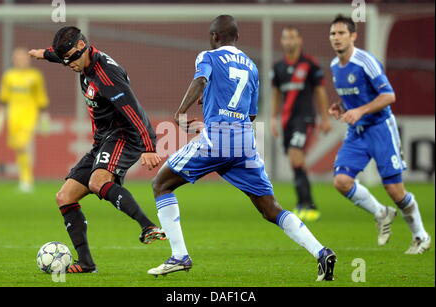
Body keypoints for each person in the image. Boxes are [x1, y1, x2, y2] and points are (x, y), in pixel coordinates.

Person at [147, 15, 336, 281]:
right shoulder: (251, 66)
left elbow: (200, 80)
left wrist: (180, 113)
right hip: (245, 142)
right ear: (237, 37)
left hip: (216, 139)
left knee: (161, 184)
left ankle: (179, 256)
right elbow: (250, 115)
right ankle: (321, 252)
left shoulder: (208, 57)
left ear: (214, 37)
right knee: (270, 207)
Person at [28, 26, 166, 273]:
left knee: (97, 181)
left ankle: (148, 227)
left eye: (70, 59)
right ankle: (87, 264)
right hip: (104, 138)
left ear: (82, 47)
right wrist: (42, 54)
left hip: (125, 135)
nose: (68, 64)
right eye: (64, 59)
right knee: (65, 197)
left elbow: (134, 111)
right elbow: (61, 54)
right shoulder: (78, 56)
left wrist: (149, 147)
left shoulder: (107, 75)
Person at [328, 15, 430, 254]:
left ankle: (421, 236)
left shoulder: (365, 61)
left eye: (342, 33)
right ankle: (381, 213)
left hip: (380, 129)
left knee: (394, 190)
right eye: (333, 34)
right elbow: (354, 97)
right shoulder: (335, 66)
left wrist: (360, 110)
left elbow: (388, 96)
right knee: (341, 182)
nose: (336, 38)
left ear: (353, 36)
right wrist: (342, 108)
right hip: (357, 132)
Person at [271, 26, 332, 222]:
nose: (289, 41)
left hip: (304, 118)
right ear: (282, 42)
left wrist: (324, 118)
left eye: (292, 38)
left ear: (299, 40)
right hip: (287, 120)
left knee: (296, 158)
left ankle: (307, 204)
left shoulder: (309, 64)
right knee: (295, 162)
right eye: (285, 38)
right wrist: (273, 118)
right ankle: (304, 203)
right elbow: (276, 94)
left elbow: (320, 91)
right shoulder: (278, 67)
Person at [0, 47, 51, 193]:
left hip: (29, 116)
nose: (20, 60)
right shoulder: (9, 76)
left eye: (23, 58)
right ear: (14, 60)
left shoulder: (35, 76)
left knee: (24, 145)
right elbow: (3, 98)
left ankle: (27, 180)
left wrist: (44, 117)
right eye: (17, 58)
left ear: (28, 59)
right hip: (13, 116)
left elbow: (40, 96)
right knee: (19, 147)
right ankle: (24, 179)